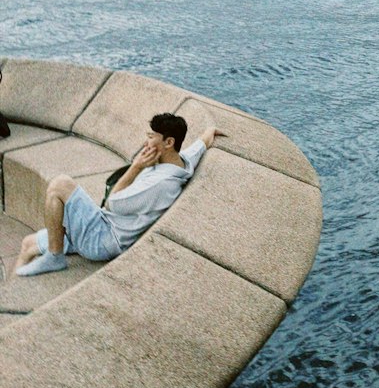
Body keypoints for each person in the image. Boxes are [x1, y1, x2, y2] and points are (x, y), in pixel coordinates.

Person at [15, 112, 225, 277]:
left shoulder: (161, 184)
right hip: (102, 226)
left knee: (60, 184)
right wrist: (211, 130)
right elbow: (201, 144)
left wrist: (135, 168)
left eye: (151, 137)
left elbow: (111, 204)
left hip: (103, 238)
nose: (146, 143)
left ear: (168, 143)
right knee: (27, 244)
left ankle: (55, 257)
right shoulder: (181, 162)